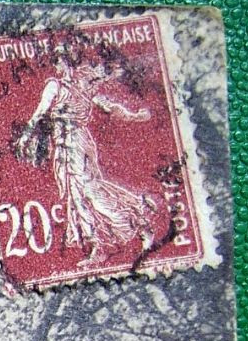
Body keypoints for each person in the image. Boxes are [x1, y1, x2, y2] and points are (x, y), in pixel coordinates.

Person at [13, 52, 156, 269]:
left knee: (82, 193)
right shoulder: (82, 87)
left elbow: (40, 113)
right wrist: (134, 116)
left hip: (70, 143)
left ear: (66, 64)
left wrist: (25, 136)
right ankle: (127, 223)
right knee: (88, 190)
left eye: (59, 62)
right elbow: (109, 106)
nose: (58, 67)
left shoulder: (56, 86)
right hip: (79, 141)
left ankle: (130, 223)